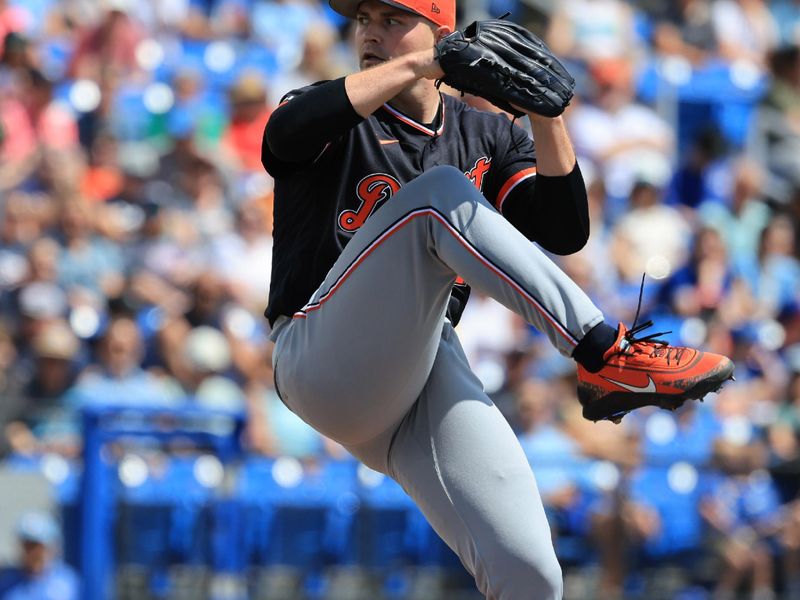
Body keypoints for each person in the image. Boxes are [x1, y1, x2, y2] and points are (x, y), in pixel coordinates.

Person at [260, 0, 735, 596]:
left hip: (419, 376)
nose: (371, 32)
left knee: (531, 573)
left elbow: (563, 230)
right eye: (364, 20)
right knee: (439, 195)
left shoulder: (485, 131)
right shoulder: (333, 107)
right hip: (316, 353)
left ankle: (604, 358)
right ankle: (603, 353)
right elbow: (284, 137)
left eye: (390, 19)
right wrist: (425, 64)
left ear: (442, 28)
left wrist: (549, 117)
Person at [0, 511, 79, 600]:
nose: (31, 552)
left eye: (35, 546)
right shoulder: (7, 582)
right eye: (26, 545)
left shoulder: (65, 583)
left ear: (51, 547)